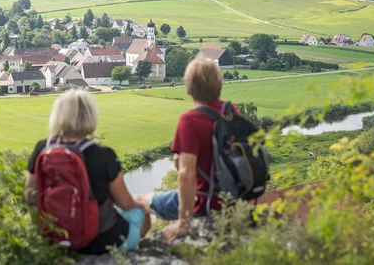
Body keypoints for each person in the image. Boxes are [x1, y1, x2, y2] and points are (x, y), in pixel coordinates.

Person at [25, 90, 150, 254]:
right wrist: (141, 205)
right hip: (102, 241)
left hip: (55, 235)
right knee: (141, 211)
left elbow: (30, 196)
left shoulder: (42, 148)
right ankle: (135, 251)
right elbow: (125, 203)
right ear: (90, 117)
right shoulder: (103, 155)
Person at [136, 58, 234, 244]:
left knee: (138, 201)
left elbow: (186, 172)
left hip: (205, 202)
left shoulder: (190, 120)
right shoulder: (231, 112)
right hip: (231, 198)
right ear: (219, 85)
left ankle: (138, 247)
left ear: (188, 88)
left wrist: (183, 222)